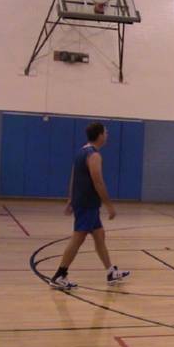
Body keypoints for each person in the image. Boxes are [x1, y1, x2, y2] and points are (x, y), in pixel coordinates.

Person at [49, 122, 130, 289]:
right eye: (105, 132)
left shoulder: (81, 151)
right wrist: (109, 205)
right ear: (99, 135)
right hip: (87, 204)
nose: (107, 135)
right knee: (78, 238)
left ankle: (110, 272)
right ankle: (59, 275)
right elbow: (98, 181)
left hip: (86, 203)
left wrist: (71, 198)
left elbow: (74, 176)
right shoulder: (94, 155)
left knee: (99, 235)